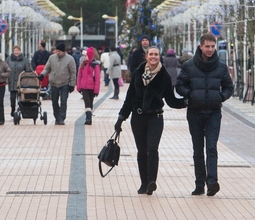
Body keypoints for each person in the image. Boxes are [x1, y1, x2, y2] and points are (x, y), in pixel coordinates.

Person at [114, 46, 186, 195]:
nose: (154, 57)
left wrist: (186, 102)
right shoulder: (138, 73)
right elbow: (130, 98)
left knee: (152, 149)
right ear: (146, 57)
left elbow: (171, 100)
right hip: (138, 117)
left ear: (160, 57)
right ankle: (144, 183)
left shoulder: (164, 76)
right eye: (151, 54)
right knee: (142, 151)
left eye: (156, 54)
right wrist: (121, 118)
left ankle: (152, 181)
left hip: (155, 117)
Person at [176, 33, 234, 197]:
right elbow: (180, 85)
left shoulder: (221, 67)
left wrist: (221, 97)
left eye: (212, 46)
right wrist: (191, 95)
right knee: (197, 149)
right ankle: (199, 183)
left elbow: (229, 87)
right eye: (207, 46)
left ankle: (212, 182)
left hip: (214, 113)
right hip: (195, 112)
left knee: (211, 147)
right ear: (200, 46)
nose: (210, 49)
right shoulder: (189, 66)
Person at [40, 42, 76, 125]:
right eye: (56, 51)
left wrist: (72, 84)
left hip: (65, 83)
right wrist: (42, 74)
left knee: (63, 101)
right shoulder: (52, 58)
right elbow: (47, 68)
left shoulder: (70, 59)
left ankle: (62, 118)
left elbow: (73, 73)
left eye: (59, 51)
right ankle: (56, 116)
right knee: (54, 101)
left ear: (63, 51)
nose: (57, 53)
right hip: (54, 83)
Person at [76, 47, 100, 125]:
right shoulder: (83, 65)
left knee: (90, 103)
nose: (84, 58)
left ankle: (89, 117)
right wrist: (79, 86)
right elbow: (79, 77)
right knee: (87, 102)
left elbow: (97, 79)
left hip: (92, 88)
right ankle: (88, 118)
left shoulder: (95, 66)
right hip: (84, 87)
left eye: (86, 56)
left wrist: (96, 90)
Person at [6, 45, 31, 118]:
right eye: (15, 50)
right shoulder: (9, 59)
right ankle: (13, 109)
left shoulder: (24, 60)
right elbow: (6, 69)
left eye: (18, 50)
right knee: (12, 98)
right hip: (12, 82)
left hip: (21, 83)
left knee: (21, 98)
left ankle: (21, 110)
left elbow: (27, 70)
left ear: (20, 51)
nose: (16, 52)